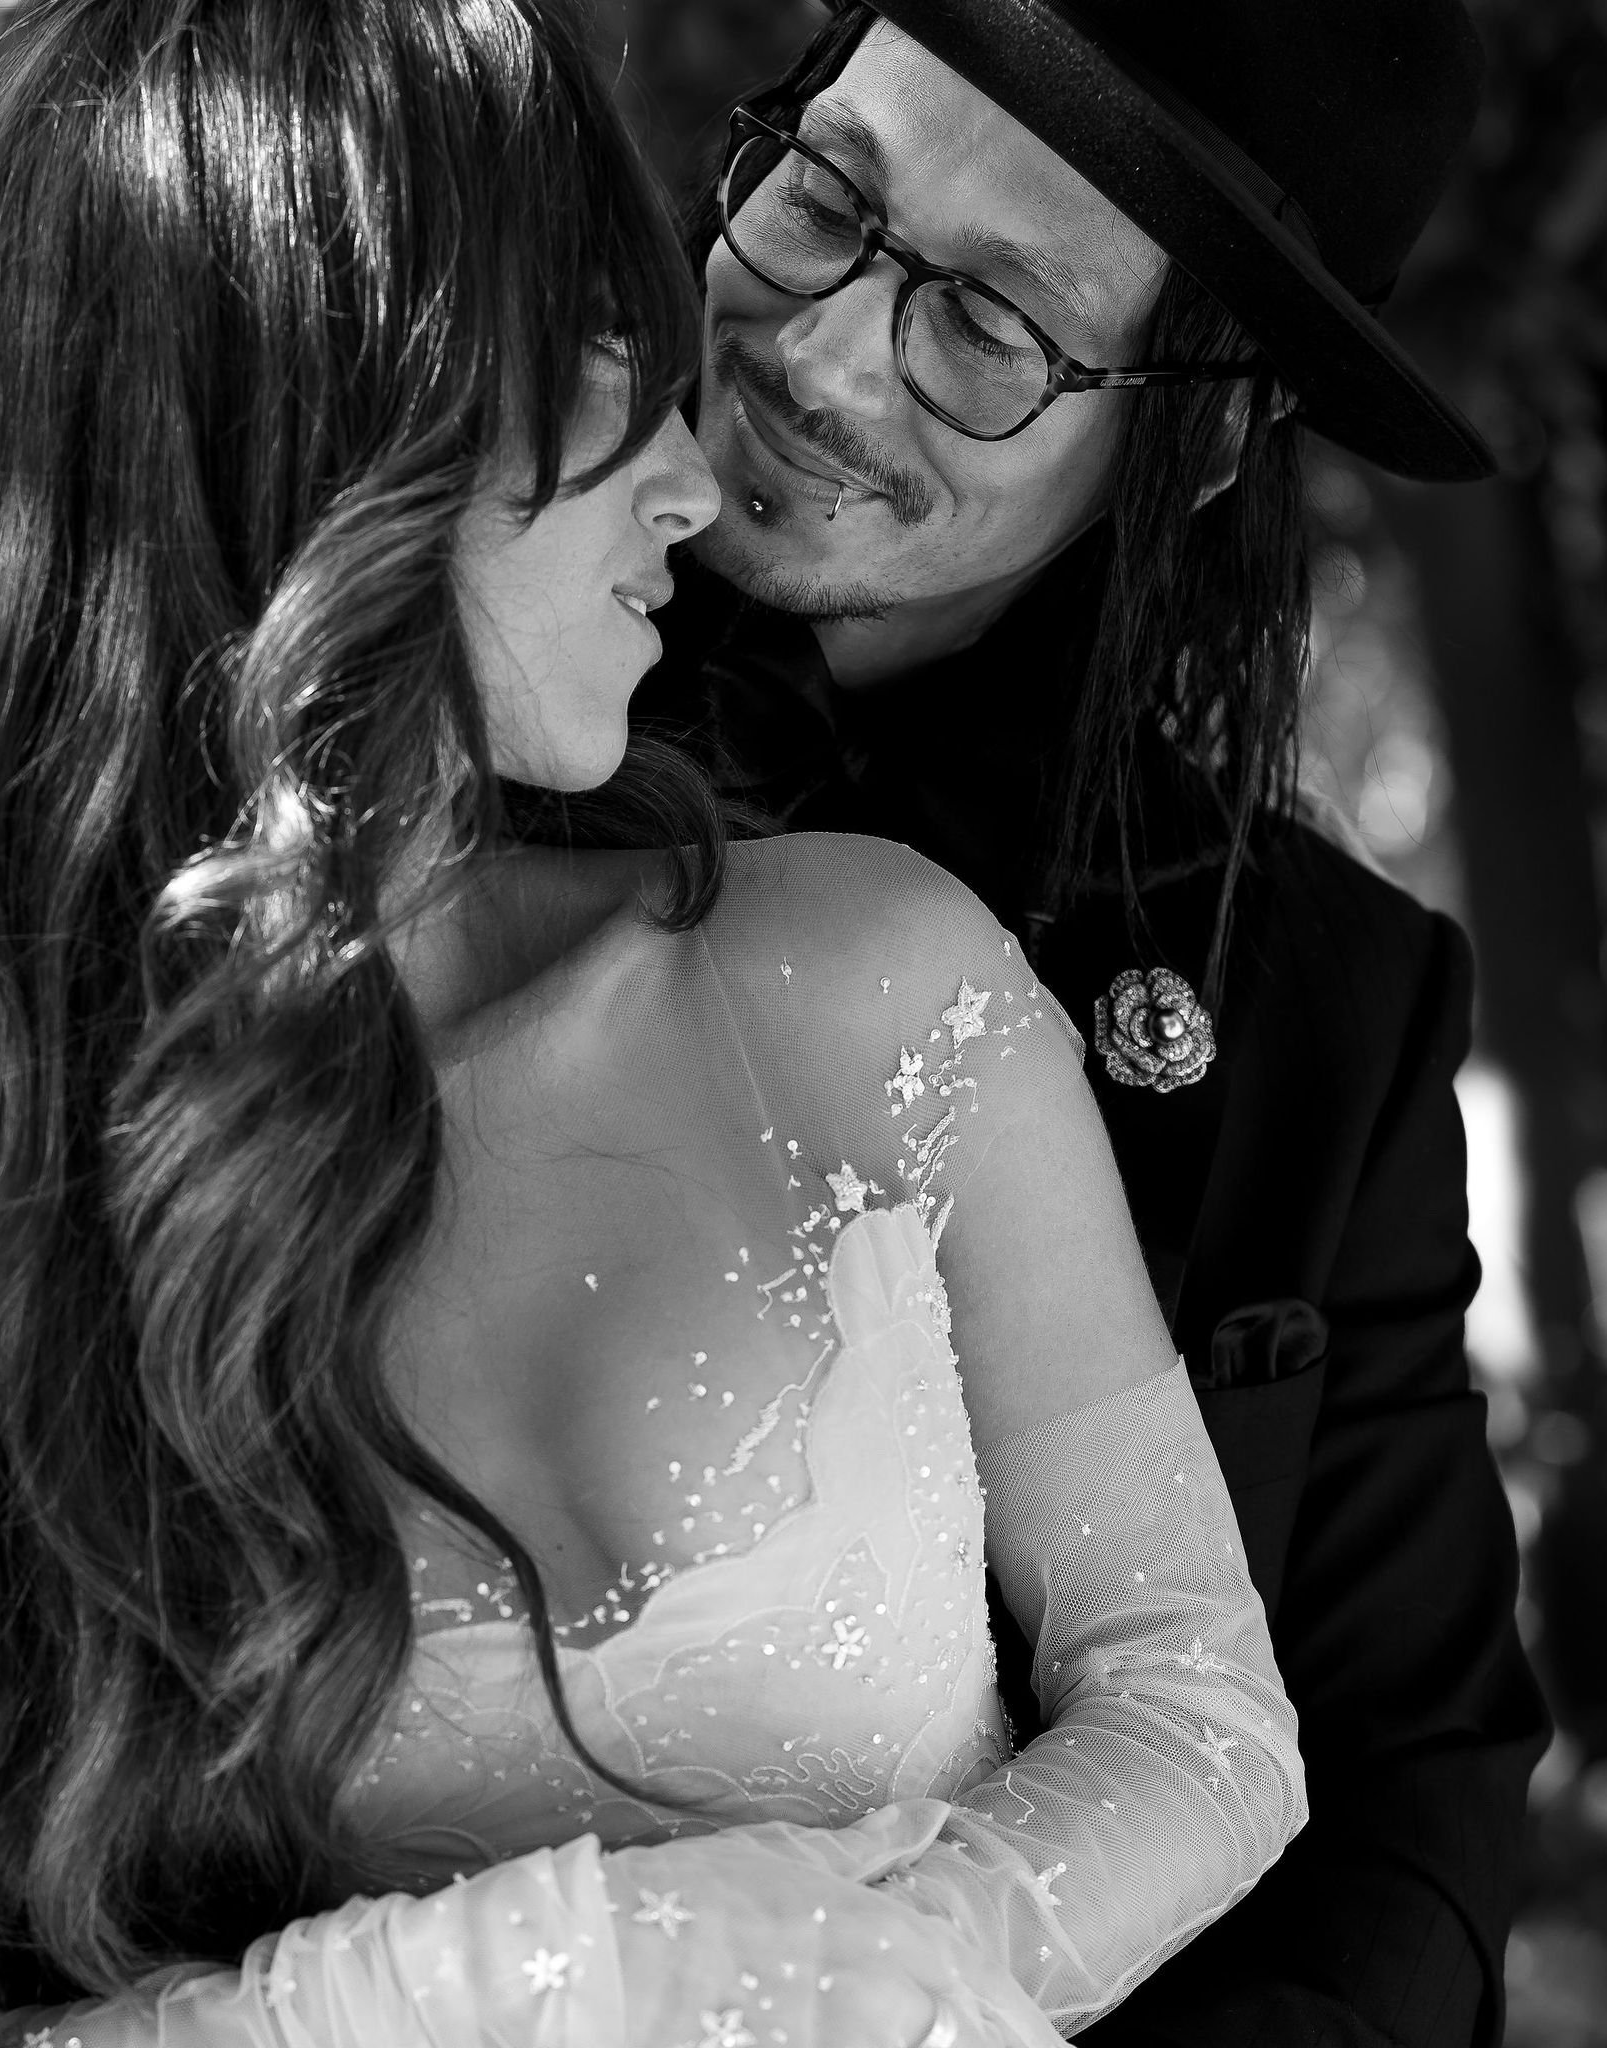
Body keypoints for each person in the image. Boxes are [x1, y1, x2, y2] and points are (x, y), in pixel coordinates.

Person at [0, 2, 1302, 2045]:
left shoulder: (867, 975)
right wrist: (496, 1987)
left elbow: (1202, 1714)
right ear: (329, 421)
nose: (699, 479)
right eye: (613, 374)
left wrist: (862, 1966)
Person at [628, 3, 1552, 2043]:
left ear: (1204, 426)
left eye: (989, 323)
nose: (826, 348)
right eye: (824, 198)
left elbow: (1405, 1800)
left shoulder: (1331, 1008)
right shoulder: (379, 764)